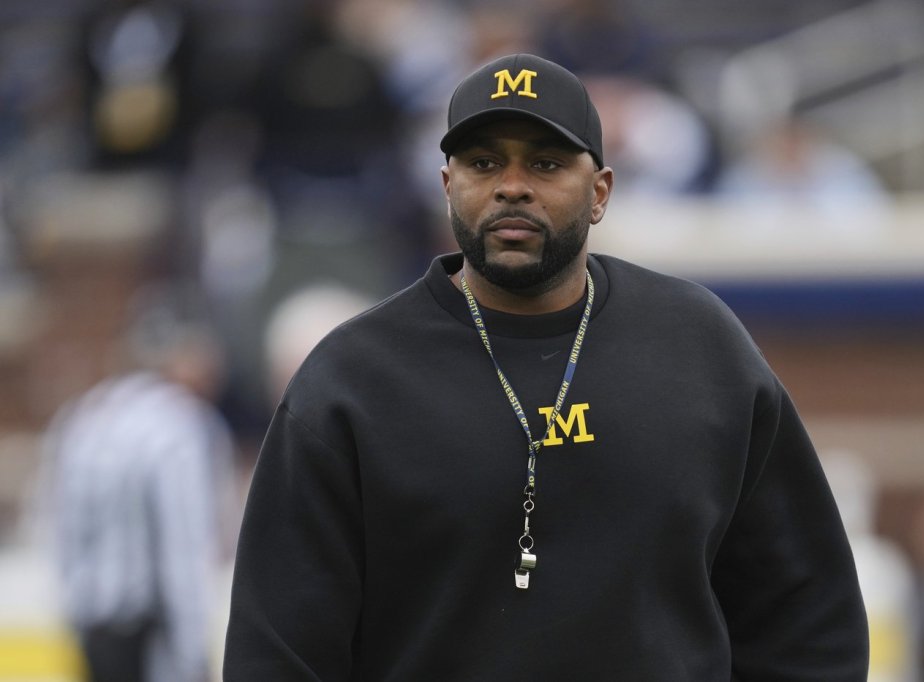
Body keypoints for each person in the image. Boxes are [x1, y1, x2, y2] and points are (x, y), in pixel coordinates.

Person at [223, 53, 869, 680]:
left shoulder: (699, 346)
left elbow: (809, 621)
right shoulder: (352, 381)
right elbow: (278, 653)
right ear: (448, 187)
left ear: (600, 191)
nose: (512, 185)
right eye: (483, 163)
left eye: (546, 163)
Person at [43, 295, 236, 682]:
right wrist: (193, 649)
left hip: (94, 627)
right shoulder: (178, 425)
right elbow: (184, 544)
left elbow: (58, 525)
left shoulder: (85, 415)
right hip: (151, 634)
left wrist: (76, 613)